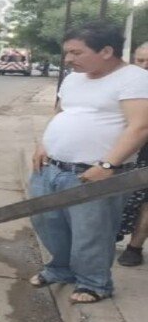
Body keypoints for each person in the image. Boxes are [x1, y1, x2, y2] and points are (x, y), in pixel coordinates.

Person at [28, 21, 148, 304]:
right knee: (48, 222)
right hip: (51, 168)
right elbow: (60, 112)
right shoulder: (72, 79)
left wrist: (107, 166)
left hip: (93, 173)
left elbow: (140, 127)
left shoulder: (135, 78)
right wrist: (42, 144)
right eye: (67, 53)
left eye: (76, 52)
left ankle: (94, 283)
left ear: (106, 51)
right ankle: (60, 269)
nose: (68, 59)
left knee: (91, 231)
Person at [117, 42, 148, 266]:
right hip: (126, 150)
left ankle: (135, 247)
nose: (145, 66)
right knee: (116, 195)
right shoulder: (126, 83)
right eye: (140, 60)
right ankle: (109, 235)